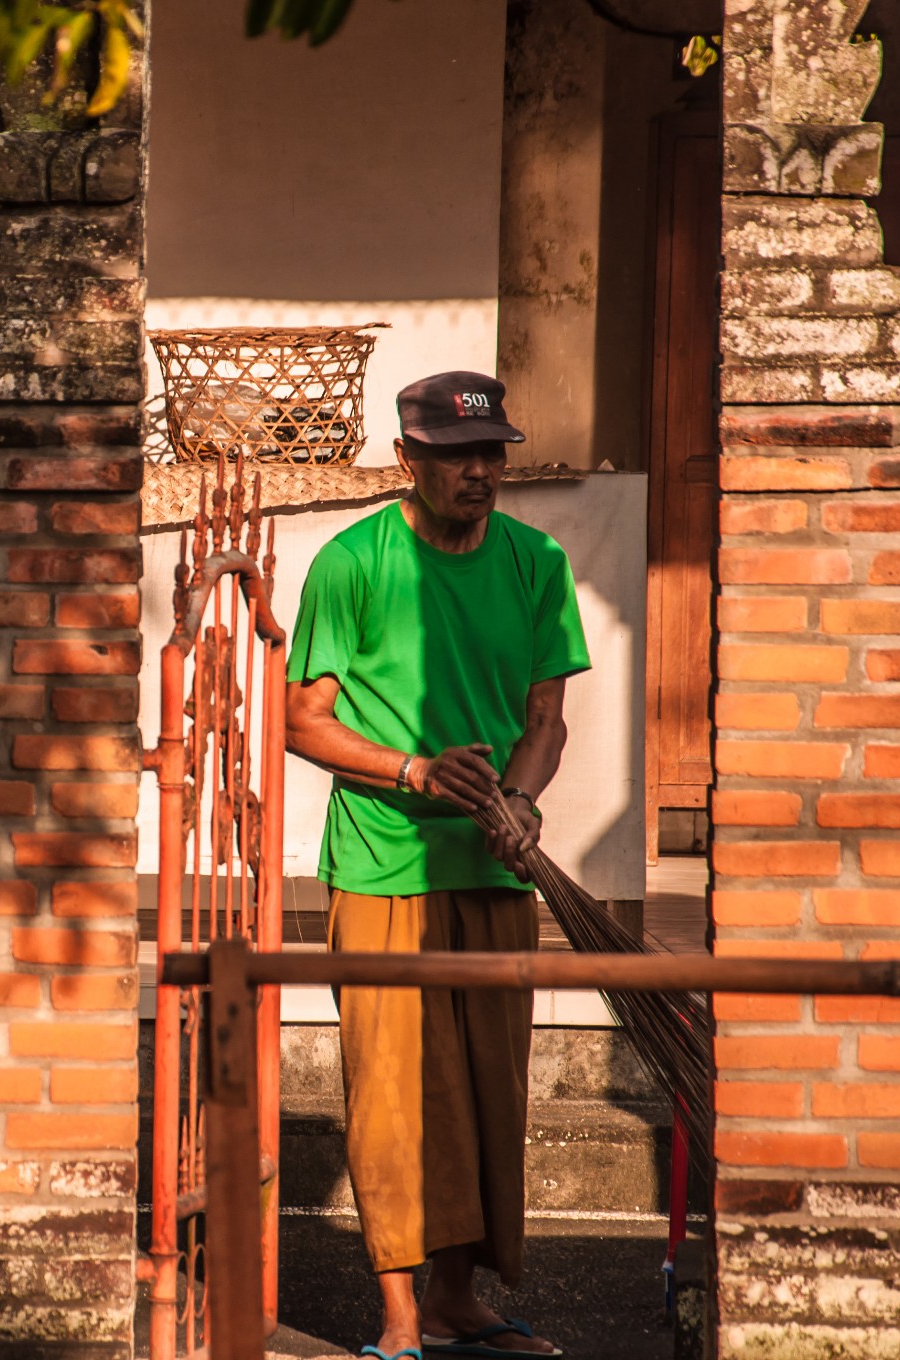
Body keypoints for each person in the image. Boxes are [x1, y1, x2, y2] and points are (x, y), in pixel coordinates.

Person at [282, 371, 588, 1360]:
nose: (480, 471)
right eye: (458, 455)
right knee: (393, 1090)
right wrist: (411, 768)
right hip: (381, 865)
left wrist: (524, 801)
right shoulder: (351, 564)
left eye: (492, 452)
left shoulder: (536, 563)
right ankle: (399, 1319)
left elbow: (544, 721)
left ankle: (458, 1300)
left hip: (498, 865)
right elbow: (302, 721)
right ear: (406, 459)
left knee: (486, 1085)